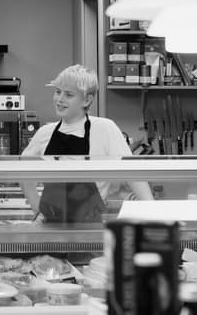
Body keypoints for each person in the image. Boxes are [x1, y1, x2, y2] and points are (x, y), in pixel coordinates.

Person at [20, 65, 154, 222]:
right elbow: (23, 172)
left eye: (69, 94)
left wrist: (152, 212)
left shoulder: (104, 129)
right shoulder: (45, 133)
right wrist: (37, 208)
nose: (60, 99)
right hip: (51, 225)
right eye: (57, 91)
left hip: (89, 226)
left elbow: (132, 172)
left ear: (87, 100)